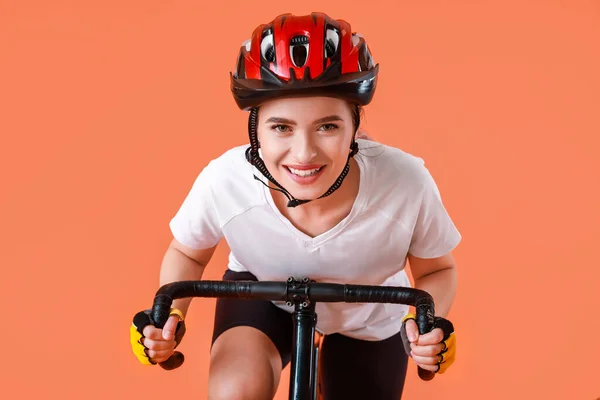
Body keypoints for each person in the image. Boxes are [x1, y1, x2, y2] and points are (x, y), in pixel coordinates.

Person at [130, 12, 460, 400]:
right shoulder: (226, 180)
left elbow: (437, 269)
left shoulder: (404, 183)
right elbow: (186, 253)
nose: (304, 154)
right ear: (255, 129)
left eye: (328, 126)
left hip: (372, 312)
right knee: (235, 390)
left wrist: (426, 322)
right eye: (281, 127)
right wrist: (170, 315)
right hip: (264, 298)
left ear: (356, 127)